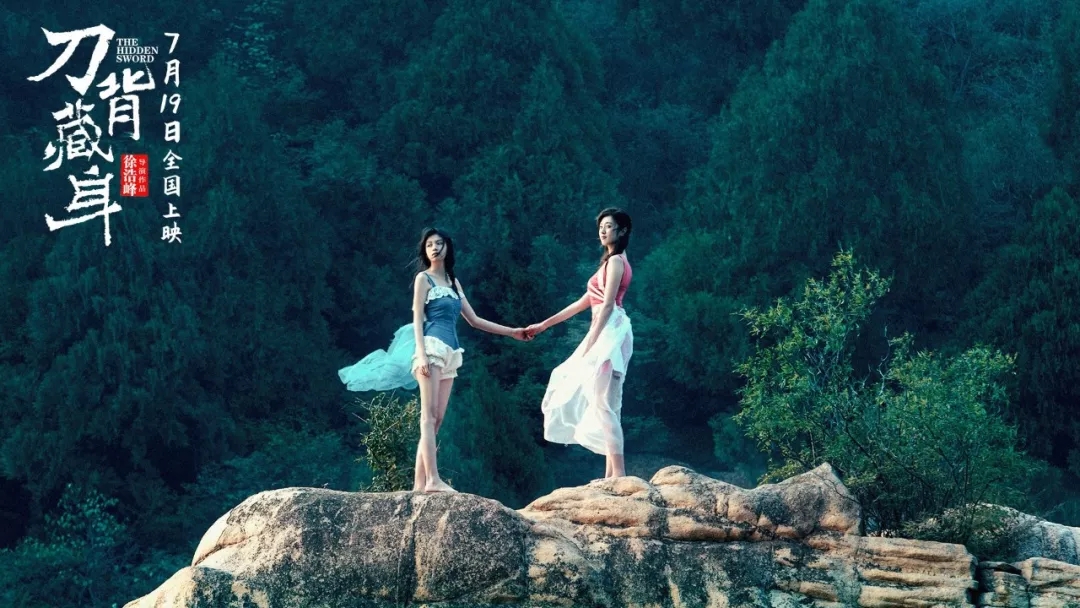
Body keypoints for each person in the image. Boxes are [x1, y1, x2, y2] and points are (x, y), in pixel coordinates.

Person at [339, 228, 530, 493]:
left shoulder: (453, 282)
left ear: (447, 247)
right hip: (431, 349)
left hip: (451, 353)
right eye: (429, 244)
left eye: (439, 243)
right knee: (427, 417)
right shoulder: (423, 279)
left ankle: (419, 485)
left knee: (437, 420)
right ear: (425, 250)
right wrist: (421, 354)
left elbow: (474, 320)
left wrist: (513, 332)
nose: (434, 248)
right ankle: (433, 480)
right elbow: (418, 319)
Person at [527, 208, 634, 479]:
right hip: (609, 331)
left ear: (622, 230)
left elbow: (607, 305)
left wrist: (592, 341)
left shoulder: (616, 262)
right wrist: (544, 325)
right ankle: (612, 473)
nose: (603, 231)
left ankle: (618, 474)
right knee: (606, 403)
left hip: (610, 331)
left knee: (602, 403)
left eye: (609, 226)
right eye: (601, 226)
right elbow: (580, 304)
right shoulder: (609, 263)